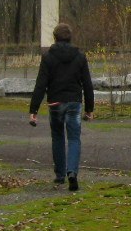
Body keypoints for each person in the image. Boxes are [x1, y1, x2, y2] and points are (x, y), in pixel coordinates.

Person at [28, 22, 95, 191]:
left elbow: (41, 84)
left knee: (57, 137)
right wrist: (89, 108)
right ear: (70, 37)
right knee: (74, 138)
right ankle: (72, 172)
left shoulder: (48, 56)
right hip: (74, 101)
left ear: (55, 37)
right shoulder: (80, 56)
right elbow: (87, 84)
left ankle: (59, 174)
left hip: (55, 102)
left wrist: (33, 110)